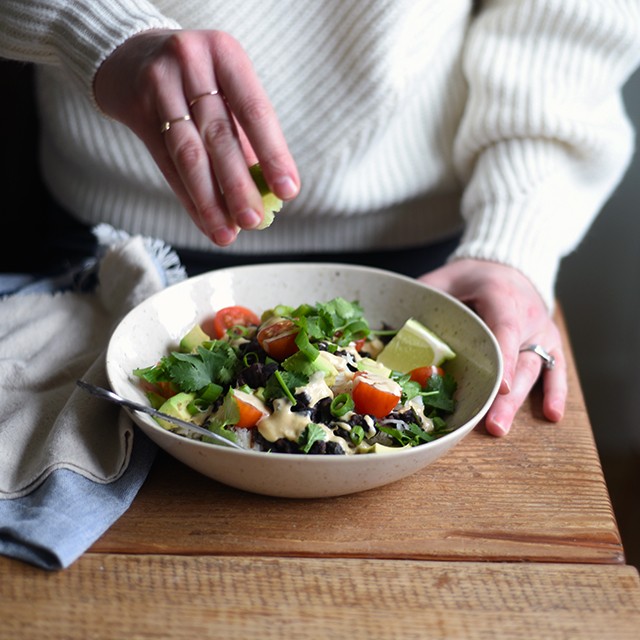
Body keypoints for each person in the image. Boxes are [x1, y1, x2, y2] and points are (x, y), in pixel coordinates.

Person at [1, 0, 639, 437]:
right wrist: (90, 26)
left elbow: (570, 24)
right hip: (106, 251)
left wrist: (516, 235)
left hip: (435, 269)